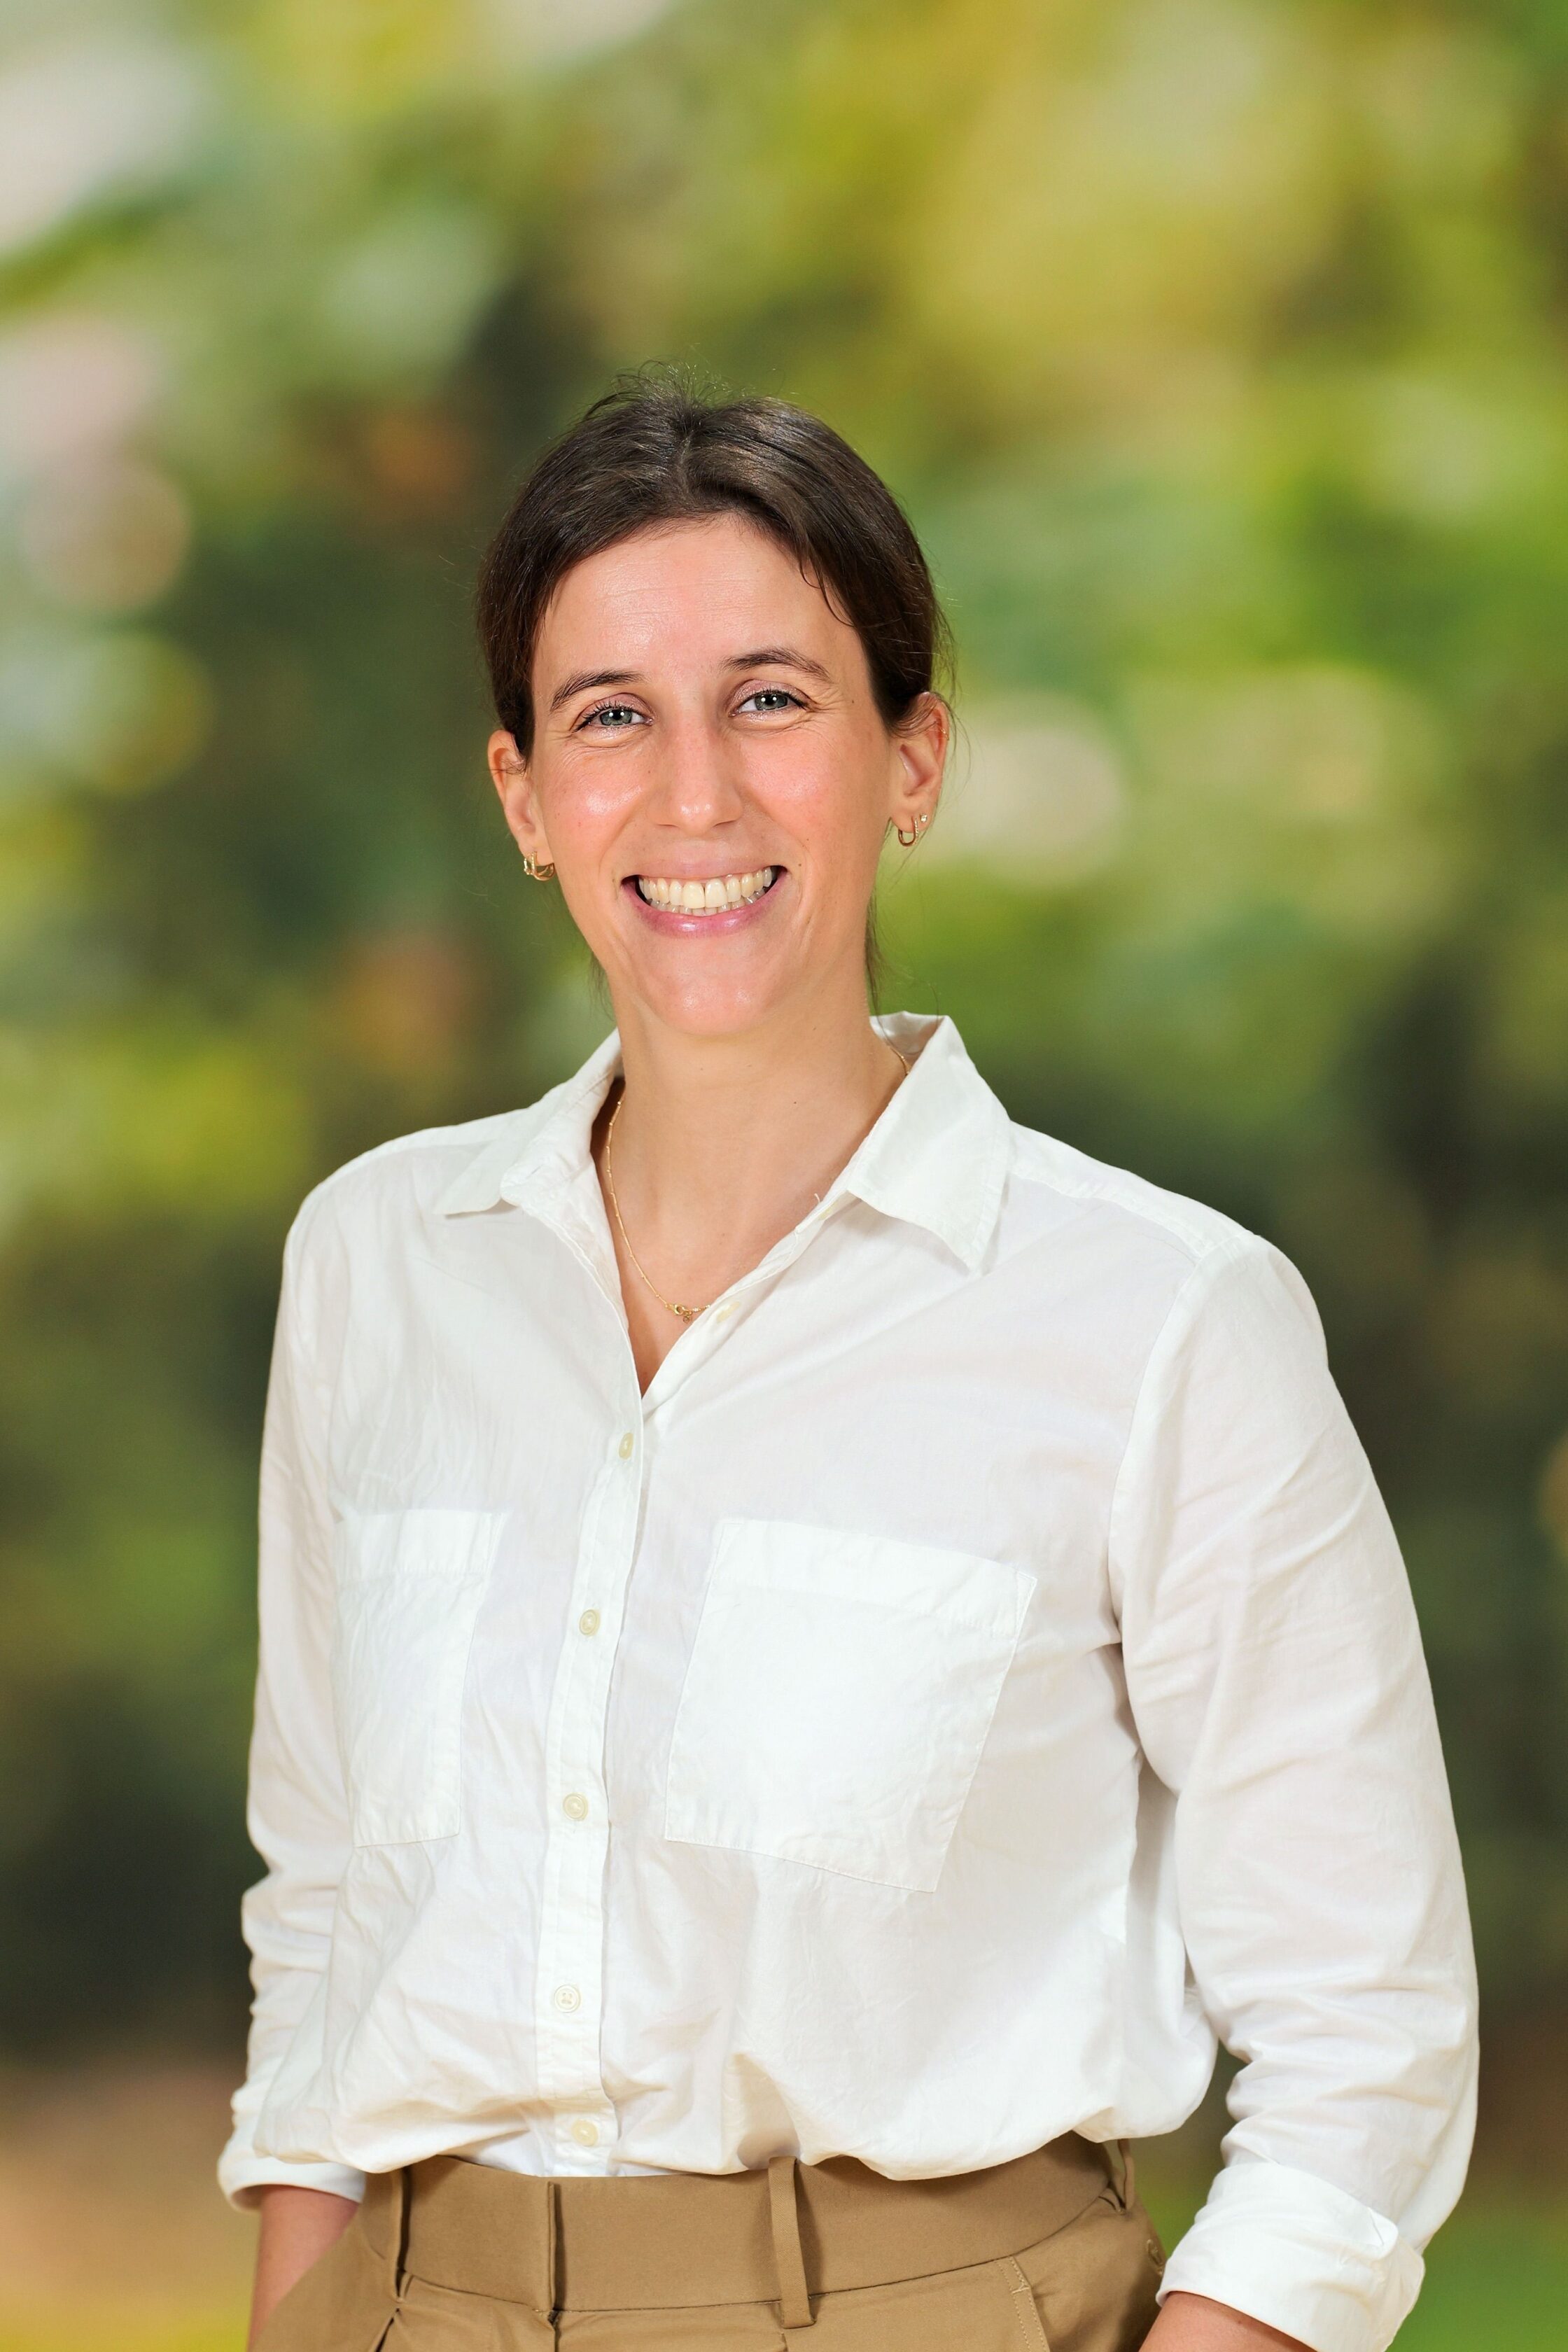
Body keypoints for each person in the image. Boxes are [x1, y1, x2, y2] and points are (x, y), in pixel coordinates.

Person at [221, 381, 1477, 2352]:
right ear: (525, 800)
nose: (694, 795)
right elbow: (322, 1911)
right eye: (610, 715)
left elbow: (1368, 2041)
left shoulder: (1162, 1320)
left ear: (912, 760)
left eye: (772, 699)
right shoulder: (381, 1265)